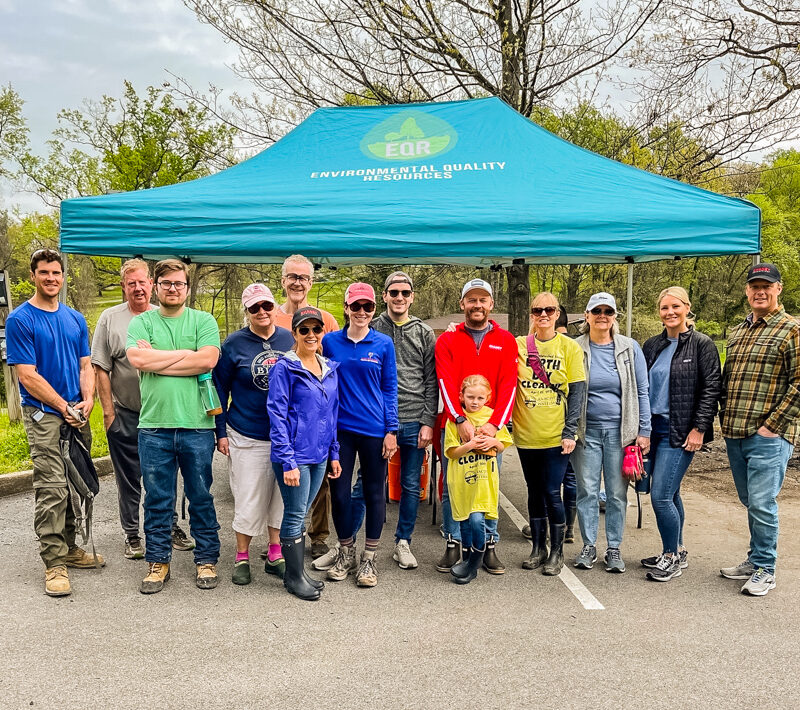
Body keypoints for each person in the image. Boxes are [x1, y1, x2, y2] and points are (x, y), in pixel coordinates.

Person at [6, 248, 104, 597]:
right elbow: (27, 376)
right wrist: (63, 405)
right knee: (52, 487)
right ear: (33, 275)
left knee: (75, 482)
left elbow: (85, 365)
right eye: (44, 273)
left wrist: (88, 400)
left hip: (76, 413)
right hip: (44, 415)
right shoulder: (21, 320)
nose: (51, 279)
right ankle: (54, 563)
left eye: (56, 273)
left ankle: (70, 548)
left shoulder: (75, 318)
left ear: (63, 277)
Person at [126, 259, 222, 594]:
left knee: (200, 496)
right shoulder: (142, 322)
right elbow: (138, 360)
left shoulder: (203, 320)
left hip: (197, 426)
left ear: (187, 287)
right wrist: (186, 357)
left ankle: (206, 559)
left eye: (178, 284)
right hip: (154, 426)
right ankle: (158, 562)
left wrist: (161, 360)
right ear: (156, 284)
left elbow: (208, 360)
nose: (172, 289)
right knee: (157, 498)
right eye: (166, 283)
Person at [92, 259, 194, 560]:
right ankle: (133, 534)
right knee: (129, 478)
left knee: (163, 476)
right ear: (124, 286)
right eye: (131, 283)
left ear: (152, 284)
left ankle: (170, 526)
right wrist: (109, 414)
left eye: (142, 282)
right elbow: (100, 368)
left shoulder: (162, 317)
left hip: (162, 413)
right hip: (125, 412)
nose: (138, 288)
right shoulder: (110, 319)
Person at [719, 263, 800, 596]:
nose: (760, 291)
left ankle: (766, 567)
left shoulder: (791, 329)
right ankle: (755, 559)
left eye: (767, 285)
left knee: (762, 502)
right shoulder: (738, 331)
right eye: (755, 286)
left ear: (778, 289)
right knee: (749, 500)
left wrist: (772, 426)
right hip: (735, 431)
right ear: (747, 291)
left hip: (768, 436)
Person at [435, 278, 517, 574]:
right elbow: (444, 381)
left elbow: (509, 384)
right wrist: (458, 420)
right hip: (457, 426)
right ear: (462, 305)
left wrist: (495, 425)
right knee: (452, 486)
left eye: (483, 299)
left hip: (490, 428)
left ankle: (489, 545)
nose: (477, 305)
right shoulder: (447, 340)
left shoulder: (506, 340)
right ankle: (453, 543)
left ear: (491, 304)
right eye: (472, 300)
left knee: (488, 486)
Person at [213, 284, 294, 585]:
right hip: (246, 431)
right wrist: (219, 432)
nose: (262, 312)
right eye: (254, 307)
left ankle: (275, 553)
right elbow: (219, 388)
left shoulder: (289, 338)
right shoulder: (233, 344)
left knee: (280, 497)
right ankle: (242, 555)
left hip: (284, 434)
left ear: (274, 307)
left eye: (266, 306)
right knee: (248, 495)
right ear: (246, 311)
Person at [640, 287, 721, 582]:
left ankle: (670, 557)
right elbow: (642, 389)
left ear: (687, 307)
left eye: (675, 306)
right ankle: (678, 548)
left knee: (660, 496)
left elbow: (711, 389)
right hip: (654, 429)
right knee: (670, 492)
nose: (670, 312)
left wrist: (699, 428)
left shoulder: (702, 345)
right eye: (664, 308)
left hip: (682, 431)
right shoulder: (652, 345)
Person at [322, 282, 398, 587]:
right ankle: (345, 552)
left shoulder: (383, 344)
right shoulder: (329, 342)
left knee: (374, 493)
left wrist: (391, 430)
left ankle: (369, 559)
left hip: (374, 430)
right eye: (356, 306)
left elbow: (390, 388)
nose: (362, 312)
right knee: (339, 494)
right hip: (341, 431)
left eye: (367, 307)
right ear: (346, 308)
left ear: (374, 310)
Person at [572, 292, 651, 573]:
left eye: (608, 311)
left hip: (621, 434)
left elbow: (642, 391)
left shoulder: (629, 348)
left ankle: (614, 549)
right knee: (587, 491)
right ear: (587, 315)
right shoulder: (575, 347)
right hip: (586, 432)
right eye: (597, 311)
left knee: (617, 494)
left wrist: (644, 430)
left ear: (615, 316)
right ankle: (589, 545)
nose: (602, 316)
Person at [268, 306, 342, 600]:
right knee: (296, 512)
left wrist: (334, 453)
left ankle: (297, 572)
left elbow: (332, 414)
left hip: (320, 454)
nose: (311, 335)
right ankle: (293, 577)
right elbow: (277, 414)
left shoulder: (329, 368)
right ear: (295, 334)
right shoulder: (284, 368)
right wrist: (287, 460)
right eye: (304, 330)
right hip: (294, 456)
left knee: (303, 512)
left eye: (316, 329)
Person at [512, 292, 585, 576]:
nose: (543, 314)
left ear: (557, 314)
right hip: (526, 433)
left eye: (549, 310)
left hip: (556, 435)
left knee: (552, 492)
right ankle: (538, 548)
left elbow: (578, 392)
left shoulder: (569, 347)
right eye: (537, 310)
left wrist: (570, 431)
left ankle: (557, 551)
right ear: (532, 314)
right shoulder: (519, 345)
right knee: (533, 491)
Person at [273, 254, 339, 559]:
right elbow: (277, 408)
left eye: (303, 277)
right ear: (283, 280)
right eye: (292, 276)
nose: (297, 282)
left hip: (318, 434)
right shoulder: (269, 315)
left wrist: (333, 448)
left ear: (311, 282)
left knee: (315, 491)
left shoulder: (328, 320)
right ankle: (284, 549)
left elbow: (331, 372)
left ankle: (315, 537)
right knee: (289, 501)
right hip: (286, 431)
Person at [372, 271, 437, 570]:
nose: (399, 298)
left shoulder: (424, 332)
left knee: (411, 485)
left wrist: (428, 421)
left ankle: (403, 542)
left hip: (414, 419)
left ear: (412, 297)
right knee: (367, 483)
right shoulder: (371, 327)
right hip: (376, 420)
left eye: (405, 293)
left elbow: (431, 380)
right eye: (393, 292)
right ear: (384, 295)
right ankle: (357, 545)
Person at [445, 375, 513, 585]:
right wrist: (470, 444)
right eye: (470, 397)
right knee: (465, 524)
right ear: (461, 397)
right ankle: (467, 565)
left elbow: (502, 445)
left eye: (480, 398)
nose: (475, 402)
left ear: (488, 398)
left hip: (484, 482)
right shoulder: (454, 421)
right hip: (462, 482)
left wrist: (492, 440)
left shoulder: (492, 417)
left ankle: (474, 561)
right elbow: (452, 452)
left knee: (477, 520)